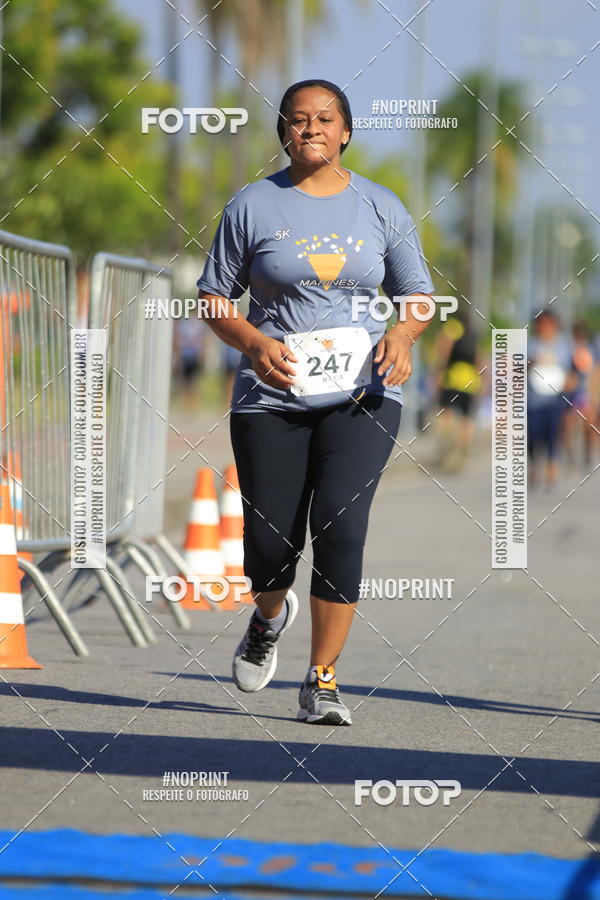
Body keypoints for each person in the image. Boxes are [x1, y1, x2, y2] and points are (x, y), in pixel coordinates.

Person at [196, 79, 434, 725]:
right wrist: (249, 341)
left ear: (346, 130)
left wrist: (404, 336)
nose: (311, 129)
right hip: (272, 395)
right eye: (298, 120)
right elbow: (214, 297)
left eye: (325, 119)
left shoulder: (380, 205)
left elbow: (418, 295)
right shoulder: (251, 204)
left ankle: (322, 679)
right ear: (284, 133)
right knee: (271, 543)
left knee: (340, 527)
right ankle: (268, 616)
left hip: (364, 392)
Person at [527, 309, 574, 488]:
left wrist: (569, 382)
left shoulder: (563, 345)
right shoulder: (531, 345)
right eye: (541, 324)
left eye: (548, 324)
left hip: (556, 400)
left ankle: (551, 470)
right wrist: (533, 361)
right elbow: (518, 367)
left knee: (553, 436)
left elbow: (572, 371)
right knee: (532, 436)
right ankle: (534, 465)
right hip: (534, 400)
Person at [433, 306, 483, 472]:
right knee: (466, 418)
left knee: (446, 413)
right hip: (471, 380)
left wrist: (439, 371)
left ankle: (449, 446)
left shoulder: (452, 327)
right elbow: (479, 359)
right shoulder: (473, 334)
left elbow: (444, 351)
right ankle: (462, 449)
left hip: (453, 378)